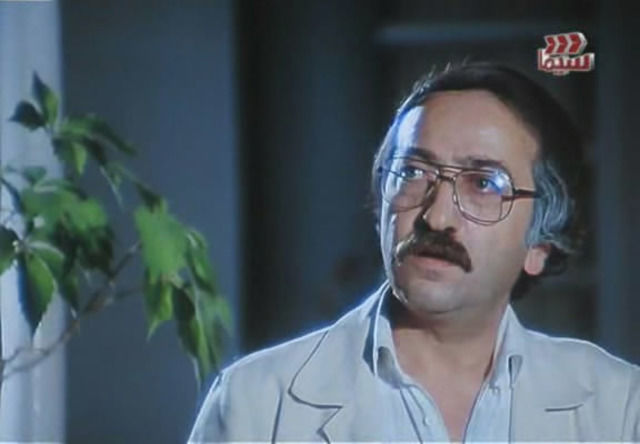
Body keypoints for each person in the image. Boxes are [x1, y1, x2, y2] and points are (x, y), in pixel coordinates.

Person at [189, 62, 640, 442]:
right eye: (412, 173)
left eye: (484, 184)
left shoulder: (618, 407)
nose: (437, 216)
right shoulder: (255, 402)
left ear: (540, 244)